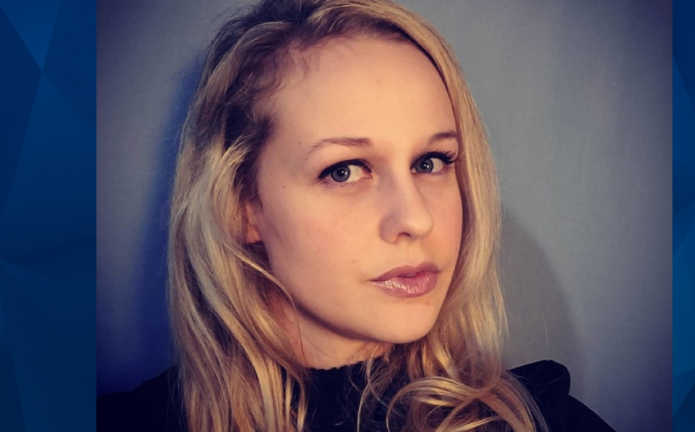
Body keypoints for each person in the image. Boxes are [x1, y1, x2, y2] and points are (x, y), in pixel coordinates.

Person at [98, 0, 614, 431]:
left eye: (431, 162)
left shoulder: (541, 420)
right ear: (241, 207)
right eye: (344, 171)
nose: (416, 220)